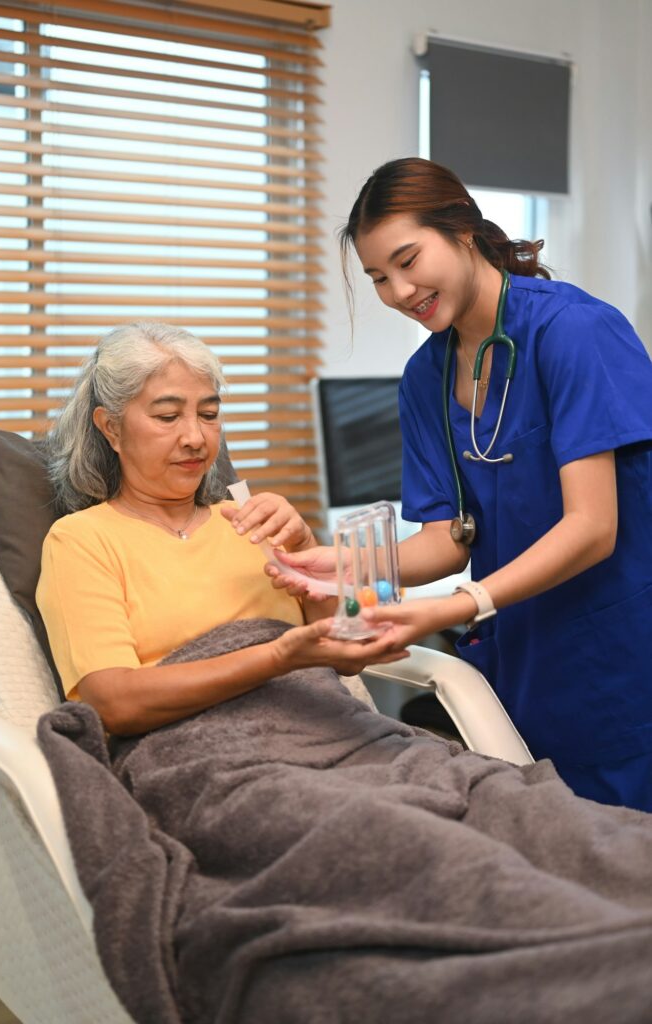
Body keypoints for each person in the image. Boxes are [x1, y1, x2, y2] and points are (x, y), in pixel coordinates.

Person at [268, 157, 652, 811]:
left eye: (409, 260)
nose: (398, 291)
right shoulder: (426, 377)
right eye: (378, 277)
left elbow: (593, 528)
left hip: (620, 657)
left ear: (463, 231)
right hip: (522, 662)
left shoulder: (574, 333)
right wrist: (337, 566)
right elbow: (447, 540)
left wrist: (458, 605)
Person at [35, 320, 406, 735]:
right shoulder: (81, 541)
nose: (195, 436)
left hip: (319, 727)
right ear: (111, 428)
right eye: (167, 416)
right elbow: (117, 704)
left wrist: (304, 546)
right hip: (202, 752)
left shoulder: (251, 522)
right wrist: (276, 657)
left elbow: (348, 657)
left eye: (209, 414)